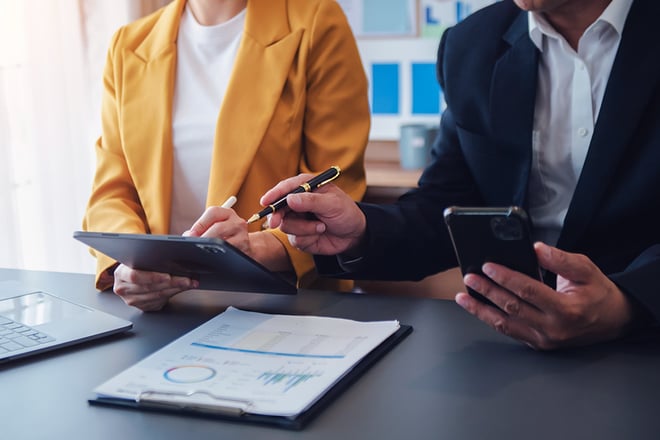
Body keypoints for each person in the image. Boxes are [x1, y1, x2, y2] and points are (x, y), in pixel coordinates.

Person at [261, 0, 660, 350]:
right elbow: (448, 206)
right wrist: (361, 232)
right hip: (507, 343)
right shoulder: (472, 45)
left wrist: (627, 304)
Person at [82, 0, 370, 311]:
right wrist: (129, 266)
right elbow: (112, 191)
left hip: (278, 305)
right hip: (162, 309)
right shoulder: (129, 44)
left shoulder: (316, 23)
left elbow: (334, 189)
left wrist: (250, 248)